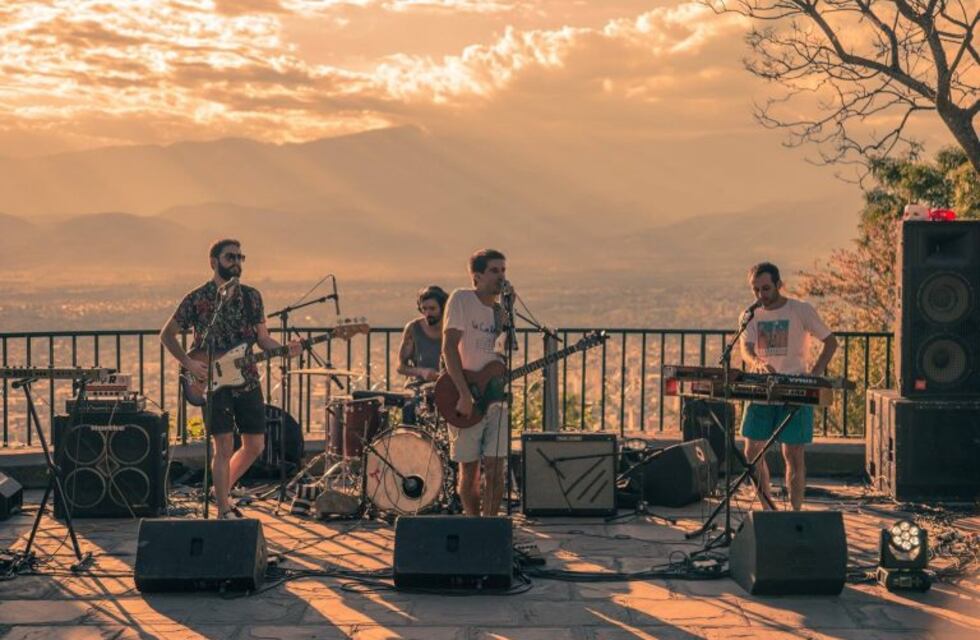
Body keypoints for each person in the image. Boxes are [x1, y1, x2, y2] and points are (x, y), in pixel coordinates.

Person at [160, 239, 300, 519]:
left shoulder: (252, 297)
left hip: (247, 379)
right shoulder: (198, 298)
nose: (237, 262)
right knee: (223, 446)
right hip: (213, 382)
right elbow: (167, 334)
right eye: (230, 257)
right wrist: (188, 363)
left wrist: (286, 350)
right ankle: (224, 507)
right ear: (213, 261)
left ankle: (220, 491)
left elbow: (262, 339)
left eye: (240, 257)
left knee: (255, 445)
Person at [740, 261, 838, 511]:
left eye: (765, 288)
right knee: (752, 451)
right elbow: (746, 348)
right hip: (762, 388)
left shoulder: (800, 310)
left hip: (795, 389)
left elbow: (830, 342)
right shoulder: (750, 314)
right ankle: (767, 508)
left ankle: (794, 512)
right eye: (756, 290)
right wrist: (757, 364)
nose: (761, 295)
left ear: (779, 285)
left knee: (793, 454)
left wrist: (814, 375)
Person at [442, 249, 511, 516]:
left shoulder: (500, 311)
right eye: (495, 271)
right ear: (477, 276)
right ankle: (472, 523)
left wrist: (509, 311)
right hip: (466, 393)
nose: (501, 277)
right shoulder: (462, 299)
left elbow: (503, 352)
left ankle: (490, 524)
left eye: (504, 270)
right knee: (468, 468)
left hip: (496, 398)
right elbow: (448, 348)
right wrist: (463, 393)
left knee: (496, 467)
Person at [397, 285, 448, 384]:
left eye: (432, 309)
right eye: (424, 309)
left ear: (443, 308)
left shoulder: (452, 328)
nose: (428, 313)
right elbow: (400, 366)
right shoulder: (413, 329)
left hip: (447, 386)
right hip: (419, 386)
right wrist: (421, 372)